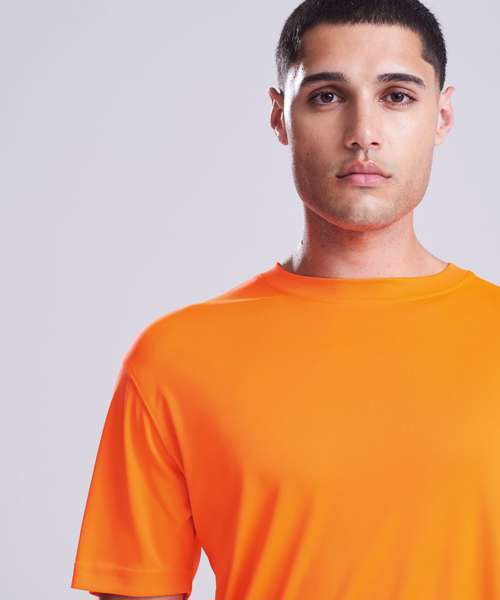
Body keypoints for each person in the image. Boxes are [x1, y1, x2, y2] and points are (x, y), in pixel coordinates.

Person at [70, 1, 500, 599]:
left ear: (442, 116)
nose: (363, 132)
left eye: (397, 96)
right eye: (327, 96)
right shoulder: (176, 359)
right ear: (280, 116)